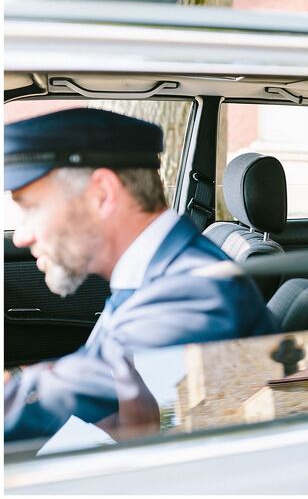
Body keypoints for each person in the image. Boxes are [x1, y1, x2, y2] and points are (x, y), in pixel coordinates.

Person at [4, 108, 279, 443]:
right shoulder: (151, 271)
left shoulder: (193, 293)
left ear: (102, 194)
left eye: (31, 207)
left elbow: (53, 399)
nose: (21, 236)